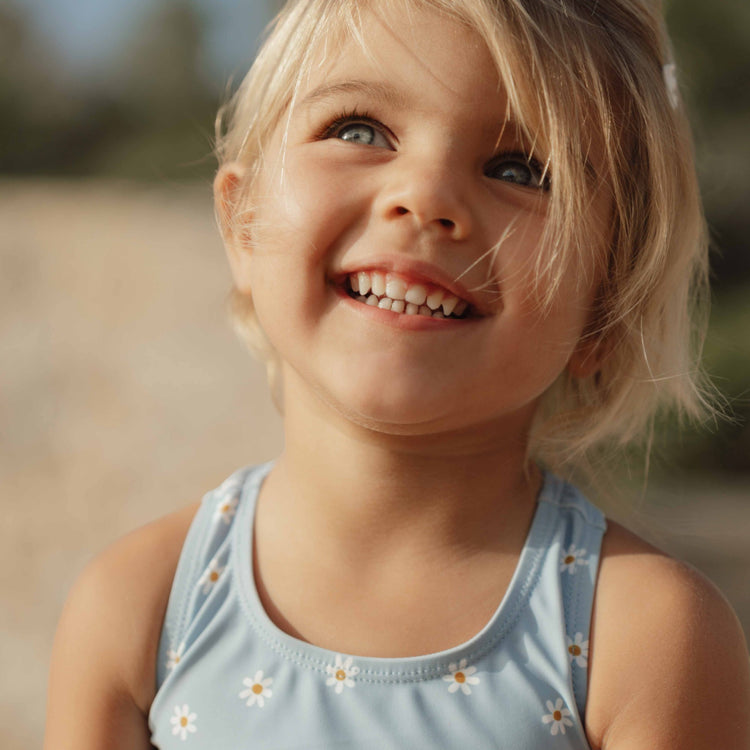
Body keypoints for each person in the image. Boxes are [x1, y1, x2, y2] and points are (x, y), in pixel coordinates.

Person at [44, 0, 750, 748]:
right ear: (242, 222)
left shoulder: (638, 637)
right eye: (359, 131)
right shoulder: (143, 609)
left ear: (604, 309)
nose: (427, 196)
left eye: (520, 169)